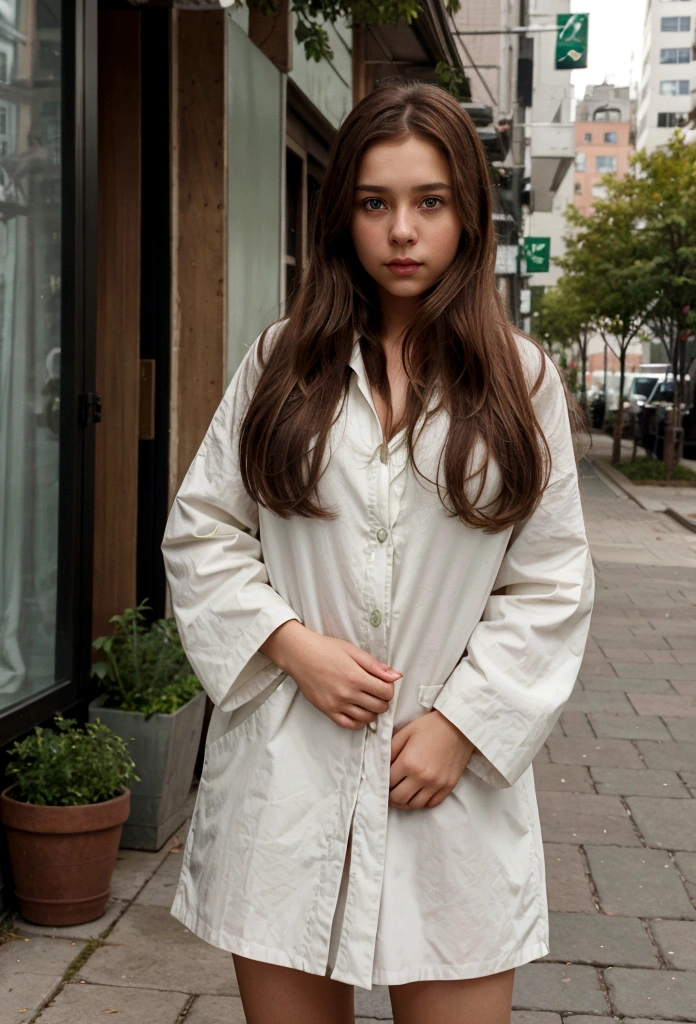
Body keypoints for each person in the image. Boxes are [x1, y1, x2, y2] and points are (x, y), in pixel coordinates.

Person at [162, 81, 594, 1024]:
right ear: (342, 216)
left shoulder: (520, 381)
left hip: (447, 790)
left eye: (430, 202)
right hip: (290, 776)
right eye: (375, 202)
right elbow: (204, 531)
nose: (403, 231)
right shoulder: (282, 363)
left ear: (468, 217)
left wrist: (464, 725)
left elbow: (551, 582)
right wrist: (289, 642)